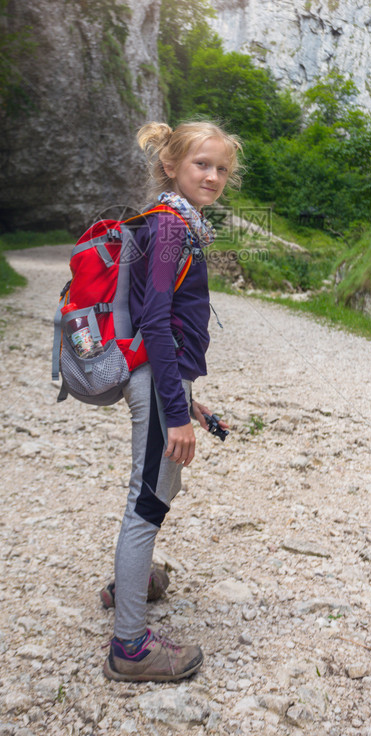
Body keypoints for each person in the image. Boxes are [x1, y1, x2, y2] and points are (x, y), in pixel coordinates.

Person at [102, 120, 242, 683]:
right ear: (170, 167)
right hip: (156, 383)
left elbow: (164, 325)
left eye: (222, 168)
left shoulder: (178, 222)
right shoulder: (169, 228)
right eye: (200, 165)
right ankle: (130, 647)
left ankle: (133, 583)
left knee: (160, 486)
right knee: (148, 501)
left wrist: (190, 401)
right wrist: (175, 410)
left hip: (164, 381)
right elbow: (156, 323)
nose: (212, 176)